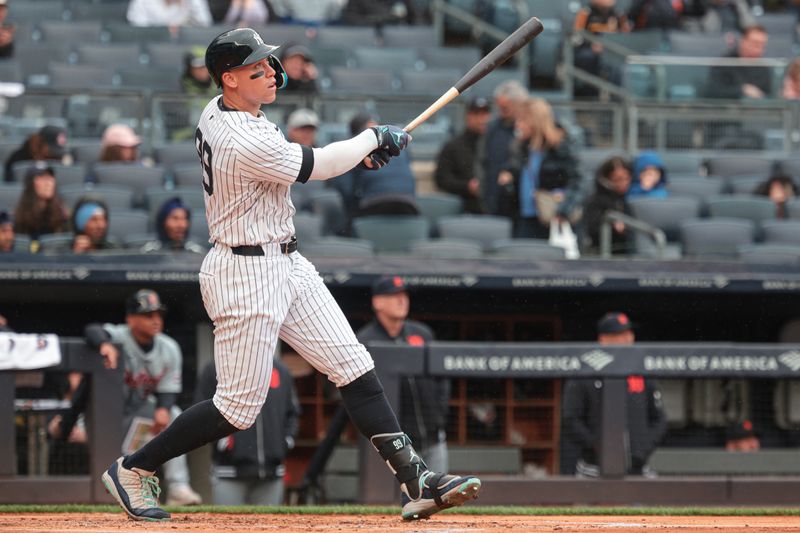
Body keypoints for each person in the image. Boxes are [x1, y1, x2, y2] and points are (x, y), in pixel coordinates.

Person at [100, 27, 480, 523]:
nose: (272, 74)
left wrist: (361, 154)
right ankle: (134, 468)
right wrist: (371, 137)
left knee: (352, 363)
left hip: (286, 261)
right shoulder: (239, 135)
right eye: (256, 69)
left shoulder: (230, 110)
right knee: (237, 408)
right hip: (243, 270)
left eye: (269, 64)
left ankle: (417, 479)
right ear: (229, 79)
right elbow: (317, 165)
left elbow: (313, 163)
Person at [84, 289, 202, 506]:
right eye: (149, 315)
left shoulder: (169, 348)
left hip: (137, 411)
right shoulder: (119, 335)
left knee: (173, 414)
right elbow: (91, 330)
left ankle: (177, 488)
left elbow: (168, 388)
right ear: (130, 318)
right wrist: (104, 344)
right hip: (104, 415)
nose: (156, 320)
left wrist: (163, 408)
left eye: (158, 315)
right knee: (73, 435)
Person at [357, 276, 451, 473]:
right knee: (398, 500)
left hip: (434, 437)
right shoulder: (364, 340)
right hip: (394, 443)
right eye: (394, 295)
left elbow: (442, 378)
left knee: (438, 497)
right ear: (377, 302)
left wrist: (439, 416)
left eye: (404, 295)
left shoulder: (422, 333)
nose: (402, 300)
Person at [562, 312, 667, 477]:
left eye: (629, 334)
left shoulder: (642, 372)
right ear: (603, 339)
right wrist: (597, 445)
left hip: (638, 467)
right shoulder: (585, 373)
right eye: (620, 335)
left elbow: (659, 419)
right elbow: (570, 419)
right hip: (593, 467)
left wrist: (643, 448)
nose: (627, 339)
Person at [195, 353, 300, 505]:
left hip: (272, 473)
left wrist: (286, 441)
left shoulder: (281, 370)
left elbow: (293, 413)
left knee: (268, 527)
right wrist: (222, 442)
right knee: (228, 527)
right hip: (229, 471)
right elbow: (202, 414)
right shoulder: (215, 368)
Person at [498, 97, 582, 238]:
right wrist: (508, 181)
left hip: (552, 218)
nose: (517, 126)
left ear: (534, 121)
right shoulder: (521, 149)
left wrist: (564, 209)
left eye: (521, 121)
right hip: (525, 219)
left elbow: (578, 182)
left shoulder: (561, 148)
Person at [330, 112, 417, 220]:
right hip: (409, 203)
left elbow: (345, 186)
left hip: (374, 204)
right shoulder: (395, 140)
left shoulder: (355, 146)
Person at [478, 80, 529, 216]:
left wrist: (511, 172)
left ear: (519, 105)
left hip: (519, 199)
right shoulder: (492, 129)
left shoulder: (529, 131)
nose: (501, 113)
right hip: (493, 196)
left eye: (506, 108)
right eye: (499, 108)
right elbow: (482, 160)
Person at [434, 97, 492, 214]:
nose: (482, 119)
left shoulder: (494, 144)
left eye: (485, 114)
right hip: (463, 208)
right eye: (477, 114)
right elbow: (441, 179)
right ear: (468, 116)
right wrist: (467, 186)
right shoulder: (453, 146)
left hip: (493, 208)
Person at [573, 0, 631, 98]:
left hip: (613, 51)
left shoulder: (618, 14)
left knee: (619, 65)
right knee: (587, 58)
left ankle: (617, 99)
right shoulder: (586, 12)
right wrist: (591, 44)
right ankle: (589, 96)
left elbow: (627, 37)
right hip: (590, 51)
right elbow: (577, 37)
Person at [582, 155, 633, 255]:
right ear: (607, 179)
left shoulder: (628, 198)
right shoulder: (596, 201)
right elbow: (592, 230)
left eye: (627, 178)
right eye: (617, 179)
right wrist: (613, 227)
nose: (623, 183)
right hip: (603, 253)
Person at [707, 25, 771, 100]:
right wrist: (742, 90)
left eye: (762, 45)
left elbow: (767, 95)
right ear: (743, 41)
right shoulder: (723, 63)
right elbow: (713, 91)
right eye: (755, 43)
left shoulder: (763, 69)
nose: (758, 49)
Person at [12, 163, 70, 239]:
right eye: (42, 178)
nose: (48, 183)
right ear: (31, 184)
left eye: (50, 178)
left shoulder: (62, 215)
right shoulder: (20, 219)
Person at [141, 197, 206, 254]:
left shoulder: (196, 253)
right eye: (175, 218)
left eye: (184, 218)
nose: (181, 225)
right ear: (163, 221)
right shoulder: (148, 253)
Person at [4, 125, 68, 183]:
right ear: (40, 143)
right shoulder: (18, 158)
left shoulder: (58, 157)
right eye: (51, 149)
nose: (53, 153)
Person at [127, 0, 212, 31]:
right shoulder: (141, 1)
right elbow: (138, 30)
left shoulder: (195, 1)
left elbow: (205, 24)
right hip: (156, 45)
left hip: (186, 45)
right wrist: (165, 30)